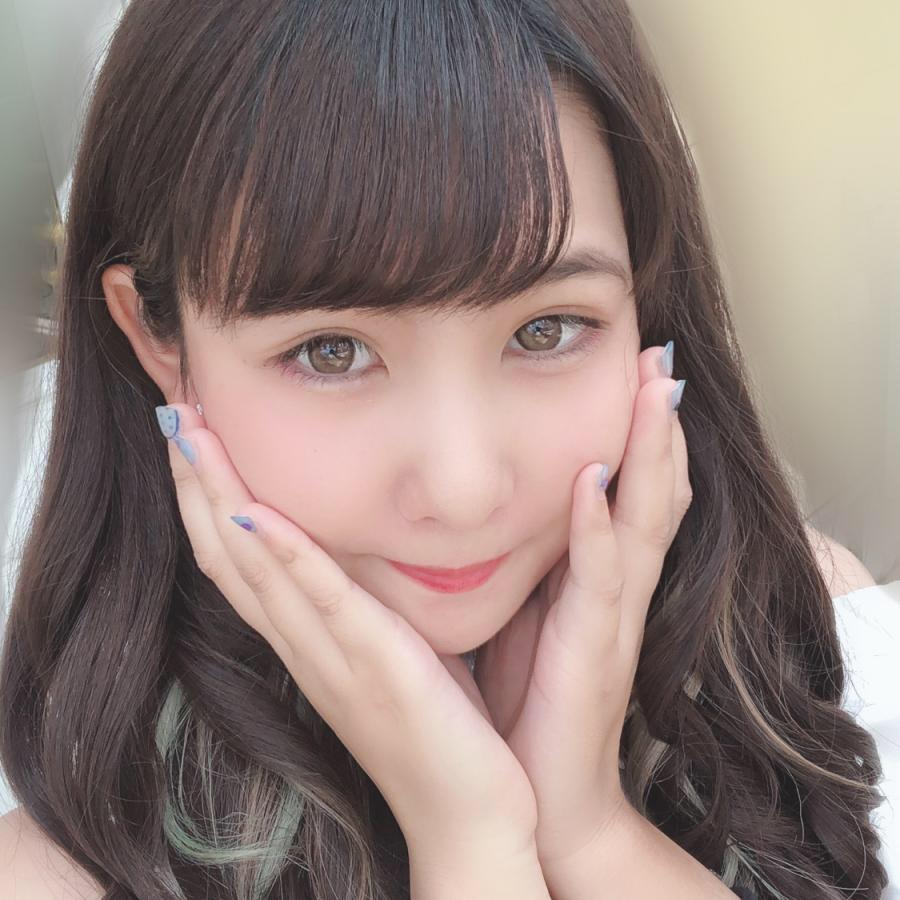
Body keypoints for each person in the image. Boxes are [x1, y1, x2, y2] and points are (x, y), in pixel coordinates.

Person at [0, 1, 891, 897]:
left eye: (547, 330)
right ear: (158, 337)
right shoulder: (57, 875)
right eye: (331, 351)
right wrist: (471, 843)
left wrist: (587, 830)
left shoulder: (808, 649)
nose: (464, 490)